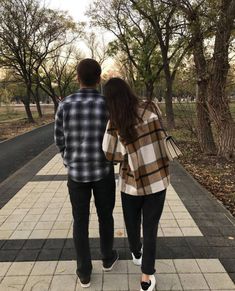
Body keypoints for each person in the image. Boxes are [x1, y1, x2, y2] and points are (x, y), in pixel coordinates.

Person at [54, 59, 118, 288]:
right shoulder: (107, 104)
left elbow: (58, 139)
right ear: (99, 77)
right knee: (105, 216)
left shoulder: (65, 104)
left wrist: (68, 160)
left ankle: (84, 272)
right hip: (103, 171)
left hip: (77, 174)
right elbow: (115, 136)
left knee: (80, 221)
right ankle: (107, 258)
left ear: (78, 78)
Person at [102, 77, 170, 291]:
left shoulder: (115, 121)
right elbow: (161, 133)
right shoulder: (151, 106)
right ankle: (147, 276)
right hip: (157, 179)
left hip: (131, 183)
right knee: (150, 227)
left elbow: (110, 154)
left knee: (132, 222)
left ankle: (136, 252)